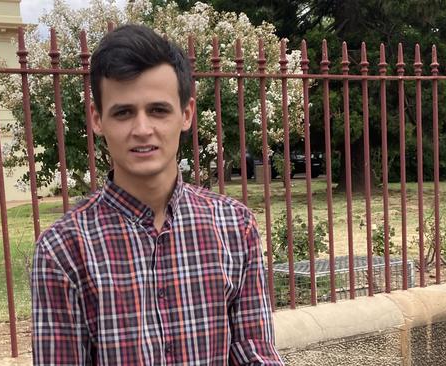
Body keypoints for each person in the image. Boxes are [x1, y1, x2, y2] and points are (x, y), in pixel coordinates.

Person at [31, 24, 283, 365]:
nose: (142, 129)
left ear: (186, 114)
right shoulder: (63, 250)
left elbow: (255, 353)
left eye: (158, 110)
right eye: (123, 112)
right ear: (97, 119)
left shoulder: (234, 227)